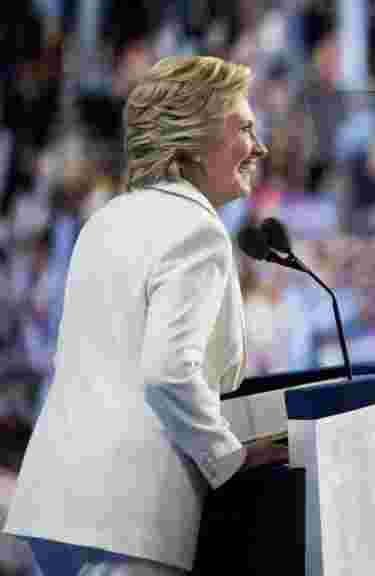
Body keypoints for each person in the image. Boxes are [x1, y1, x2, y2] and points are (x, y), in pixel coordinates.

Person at [2, 56, 287, 575]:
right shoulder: (197, 230)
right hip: (128, 518)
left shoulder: (104, 221)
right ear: (195, 143)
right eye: (244, 128)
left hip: (55, 505)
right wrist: (230, 455)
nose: (259, 146)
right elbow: (167, 371)